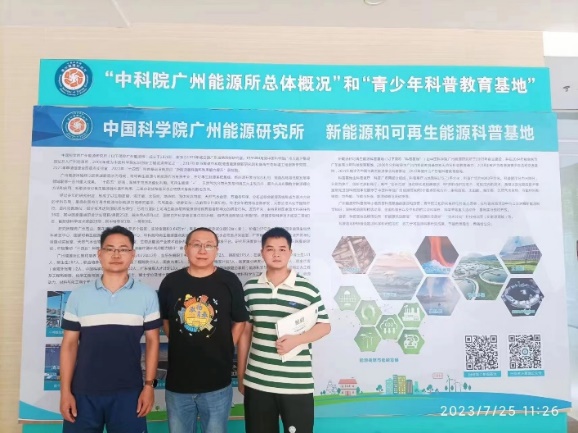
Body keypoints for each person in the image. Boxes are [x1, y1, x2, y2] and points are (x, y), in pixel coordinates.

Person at [60, 226, 162, 433]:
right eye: (110, 249)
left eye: (123, 249)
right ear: (100, 254)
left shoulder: (147, 295)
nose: (116, 254)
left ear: (132, 255)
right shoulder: (79, 295)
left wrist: (149, 386)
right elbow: (69, 345)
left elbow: (153, 341)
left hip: (130, 392)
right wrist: (65, 392)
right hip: (83, 392)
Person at [237, 227, 331, 433]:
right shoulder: (250, 288)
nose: (276, 254)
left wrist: (297, 340)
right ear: (262, 252)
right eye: (270, 249)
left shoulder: (307, 289)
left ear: (290, 252)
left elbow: (324, 326)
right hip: (258, 382)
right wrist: (242, 375)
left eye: (282, 249)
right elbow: (245, 334)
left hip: (296, 383)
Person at [158, 227, 249, 433]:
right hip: (178, 383)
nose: (202, 250)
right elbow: (166, 320)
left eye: (209, 245)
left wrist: (227, 345)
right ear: (186, 249)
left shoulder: (229, 281)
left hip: (217, 382)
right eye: (196, 245)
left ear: (216, 250)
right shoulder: (171, 282)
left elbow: (240, 321)